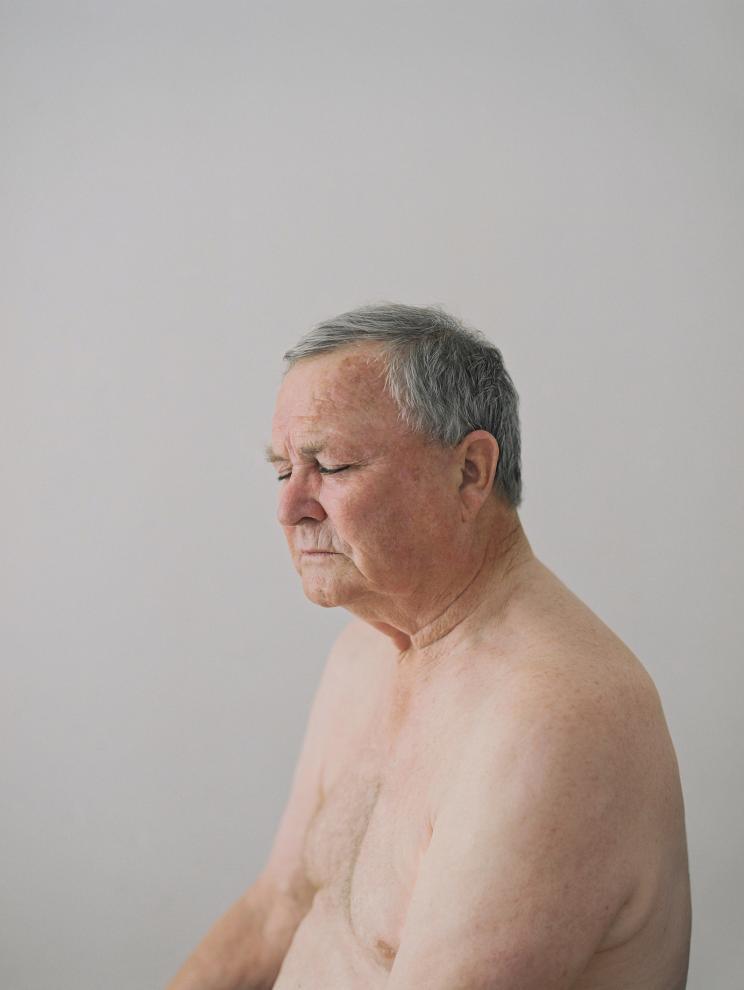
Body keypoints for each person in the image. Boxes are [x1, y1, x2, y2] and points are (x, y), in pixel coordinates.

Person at [168, 303, 691, 990]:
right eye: (282, 471)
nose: (289, 508)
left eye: (332, 465)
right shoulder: (364, 653)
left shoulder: (554, 721)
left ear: (470, 472)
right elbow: (277, 910)